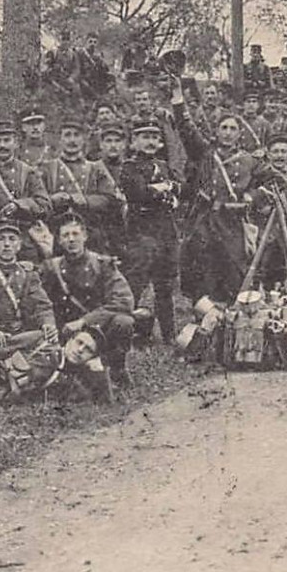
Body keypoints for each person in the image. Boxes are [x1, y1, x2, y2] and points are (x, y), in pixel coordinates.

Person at [40, 212, 136, 386]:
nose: (71, 239)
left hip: (97, 328)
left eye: (75, 234)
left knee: (124, 322)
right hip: (66, 331)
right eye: (65, 235)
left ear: (85, 236)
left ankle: (115, 369)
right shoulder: (51, 267)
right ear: (59, 241)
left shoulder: (102, 264)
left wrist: (84, 321)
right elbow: (39, 301)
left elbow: (124, 300)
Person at [117, 121, 182, 340]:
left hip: (165, 233)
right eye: (144, 137)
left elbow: (180, 188)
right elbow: (138, 192)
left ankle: (169, 334)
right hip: (141, 233)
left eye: (154, 137)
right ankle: (125, 331)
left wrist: (167, 189)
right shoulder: (129, 167)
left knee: (164, 286)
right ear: (134, 142)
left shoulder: (163, 165)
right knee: (135, 284)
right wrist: (163, 189)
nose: (150, 141)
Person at [43, 119, 122, 253]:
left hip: (90, 232)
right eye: (67, 135)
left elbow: (110, 198)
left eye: (76, 135)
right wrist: (52, 199)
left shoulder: (96, 168)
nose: (72, 140)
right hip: (56, 232)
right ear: (60, 140)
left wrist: (83, 200)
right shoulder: (47, 168)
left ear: (84, 139)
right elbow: (38, 199)